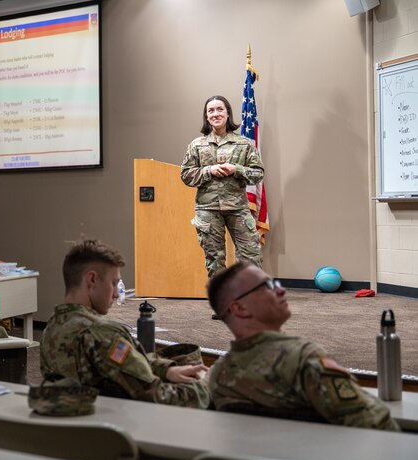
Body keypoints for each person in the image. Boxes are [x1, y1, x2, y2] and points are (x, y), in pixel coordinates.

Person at [206, 261, 400, 431]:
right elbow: (376, 423)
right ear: (239, 308)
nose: (281, 290)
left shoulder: (218, 375)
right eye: (267, 286)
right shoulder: (304, 359)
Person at [40, 239, 210, 408]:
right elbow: (156, 396)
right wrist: (206, 384)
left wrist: (166, 370)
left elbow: (121, 368)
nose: (115, 294)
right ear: (92, 280)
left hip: (79, 422)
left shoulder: (52, 327)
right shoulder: (103, 334)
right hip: (122, 425)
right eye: (113, 283)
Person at [180, 95, 264, 279]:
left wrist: (236, 169)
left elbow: (258, 174)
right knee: (215, 261)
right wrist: (209, 170)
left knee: (251, 258)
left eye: (220, 109)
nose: (215, 114)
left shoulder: (244, 144)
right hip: (208, 209)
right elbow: (186, 175)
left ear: (228, 114)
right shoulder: (196, 145)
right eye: (211, 111)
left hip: (238, 208)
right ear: (206, 116)